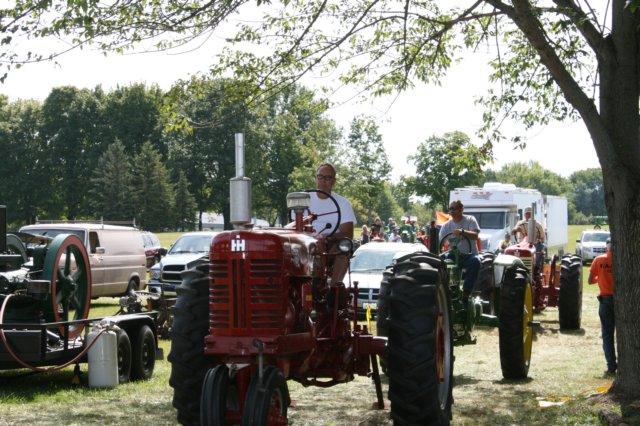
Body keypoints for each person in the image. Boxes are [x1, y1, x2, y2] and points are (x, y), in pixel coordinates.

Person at [307, 163, 356, 284]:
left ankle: (334, 290)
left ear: (333, 181)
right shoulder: (303, 199)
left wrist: (328, 236)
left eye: (328, 178)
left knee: (343, 250)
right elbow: (294, 225)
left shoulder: (343, 203)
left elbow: (348, 233)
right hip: (306, 242)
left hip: (330, 243)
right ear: (315, 178)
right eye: (320, 177)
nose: (323, 181)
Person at [439, 200, 481, 300]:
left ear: (462, 208)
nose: (452, 211)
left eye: (455, 208)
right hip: (453, 255)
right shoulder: (446, 226)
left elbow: (475, 236)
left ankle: (466, 293)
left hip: (469, 255)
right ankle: (444, 292)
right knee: (440, 261)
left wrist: (462, 232)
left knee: (476, 261)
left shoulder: (470, 219)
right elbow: (441, 242)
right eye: (451, 209)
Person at [588, 237, 616, 375]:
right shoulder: (622, 259)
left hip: (605, 300)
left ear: (606, 247)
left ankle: (611, 365)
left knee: (607, 335)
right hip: (621, 301)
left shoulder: (599, 260)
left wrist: (601, 276)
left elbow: (590, 280)